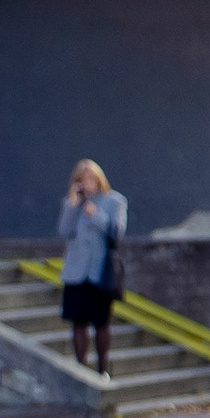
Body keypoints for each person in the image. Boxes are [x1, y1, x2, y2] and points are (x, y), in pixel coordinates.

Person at [58, 157, 127, 375]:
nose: (87, 184)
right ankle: (81, 369)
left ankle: (102, 369)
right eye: (82, 180)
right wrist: (72, 206)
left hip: (100, 272)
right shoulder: (72, 203)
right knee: (78, 322)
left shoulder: (114, 201)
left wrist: (95, 214)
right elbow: (64, 231)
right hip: (76, 271)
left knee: (101, 322)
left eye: (91, 179)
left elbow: (117, 232)